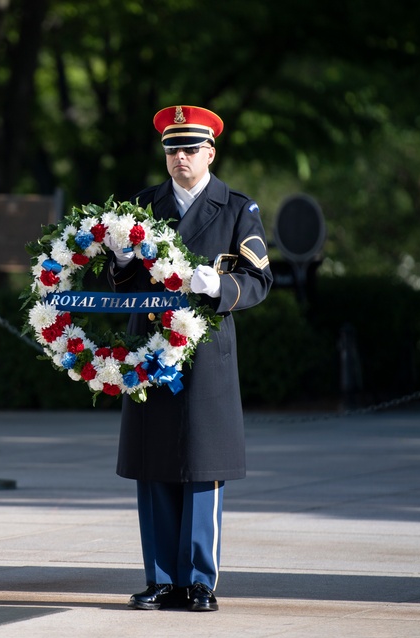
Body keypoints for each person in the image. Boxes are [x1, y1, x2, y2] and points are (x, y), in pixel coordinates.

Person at [106, 105, 273, 612]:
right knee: (154, 463)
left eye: (190, 149)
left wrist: (220, 285)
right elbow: (123, 282)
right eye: (172, 150)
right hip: (151, 348)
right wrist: (120, 259)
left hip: (205, 352)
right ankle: (160, 579)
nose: (180, 158)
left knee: (203, 467)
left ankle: (199, 580)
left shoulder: (237, 209)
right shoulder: (141, 206)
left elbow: (260, 280)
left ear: (210, 153)